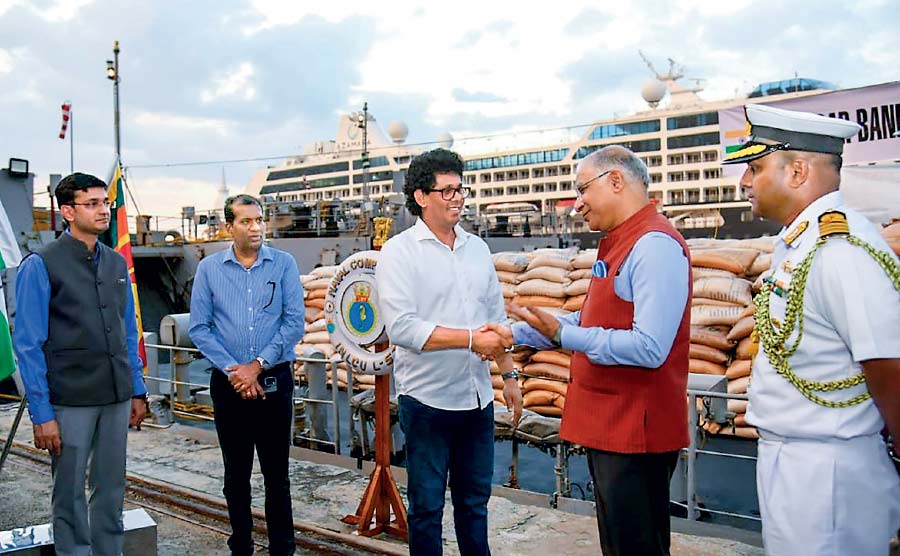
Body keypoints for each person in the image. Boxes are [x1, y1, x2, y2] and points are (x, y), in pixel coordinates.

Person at [722, 104, 900, 555]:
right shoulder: (801, 243)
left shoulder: (840, 249)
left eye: (755, 167)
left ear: (798, 171)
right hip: (798, 460)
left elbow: (886, 360)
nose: (744, 181)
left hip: (828, 470)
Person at [506, 145, 691, 556]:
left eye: (582, 189)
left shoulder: (654, 246)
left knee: (635, 548)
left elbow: (650, 347)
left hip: (635, 433)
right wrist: (517, 332)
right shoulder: (623, 242)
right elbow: (593, 319)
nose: (578, 204)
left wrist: (565, 335)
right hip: (614, 428)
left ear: (616, 180)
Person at [376, 148, 523, 555]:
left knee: (474, 504)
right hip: (428, 402)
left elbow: (495, 317)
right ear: (421, 197)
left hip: (476, 400)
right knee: (426, 508)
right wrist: (472, 340)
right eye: (447, 191)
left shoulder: (477, 249)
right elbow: (402, 327)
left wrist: (509, 375)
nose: (457, 198)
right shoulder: (400, 252)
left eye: (460, 189)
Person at [13, 172, 148, 556]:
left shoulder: (116, 264)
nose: (103, 210)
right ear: (68, 212)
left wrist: (137, 390)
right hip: (69, 399)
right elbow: (28, 345)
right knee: (70, 491)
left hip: (115, 396)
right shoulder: (40, 265)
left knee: (112, 488)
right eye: (92, 204)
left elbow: (126, 332)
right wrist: (42, 414)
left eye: (105, 202)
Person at [189, 194, 305, 556]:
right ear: (230, 227)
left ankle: (282, 549)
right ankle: (241, 545)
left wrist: (256, 366)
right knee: (235, 475)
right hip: (229, 387)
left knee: (277, 475)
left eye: (259, 220)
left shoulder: (283, 264)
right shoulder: (209, 269)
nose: (256, 228)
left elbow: (294, 323)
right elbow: (200, 328)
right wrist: (235, 372)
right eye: (246, 221)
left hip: (274, 382)